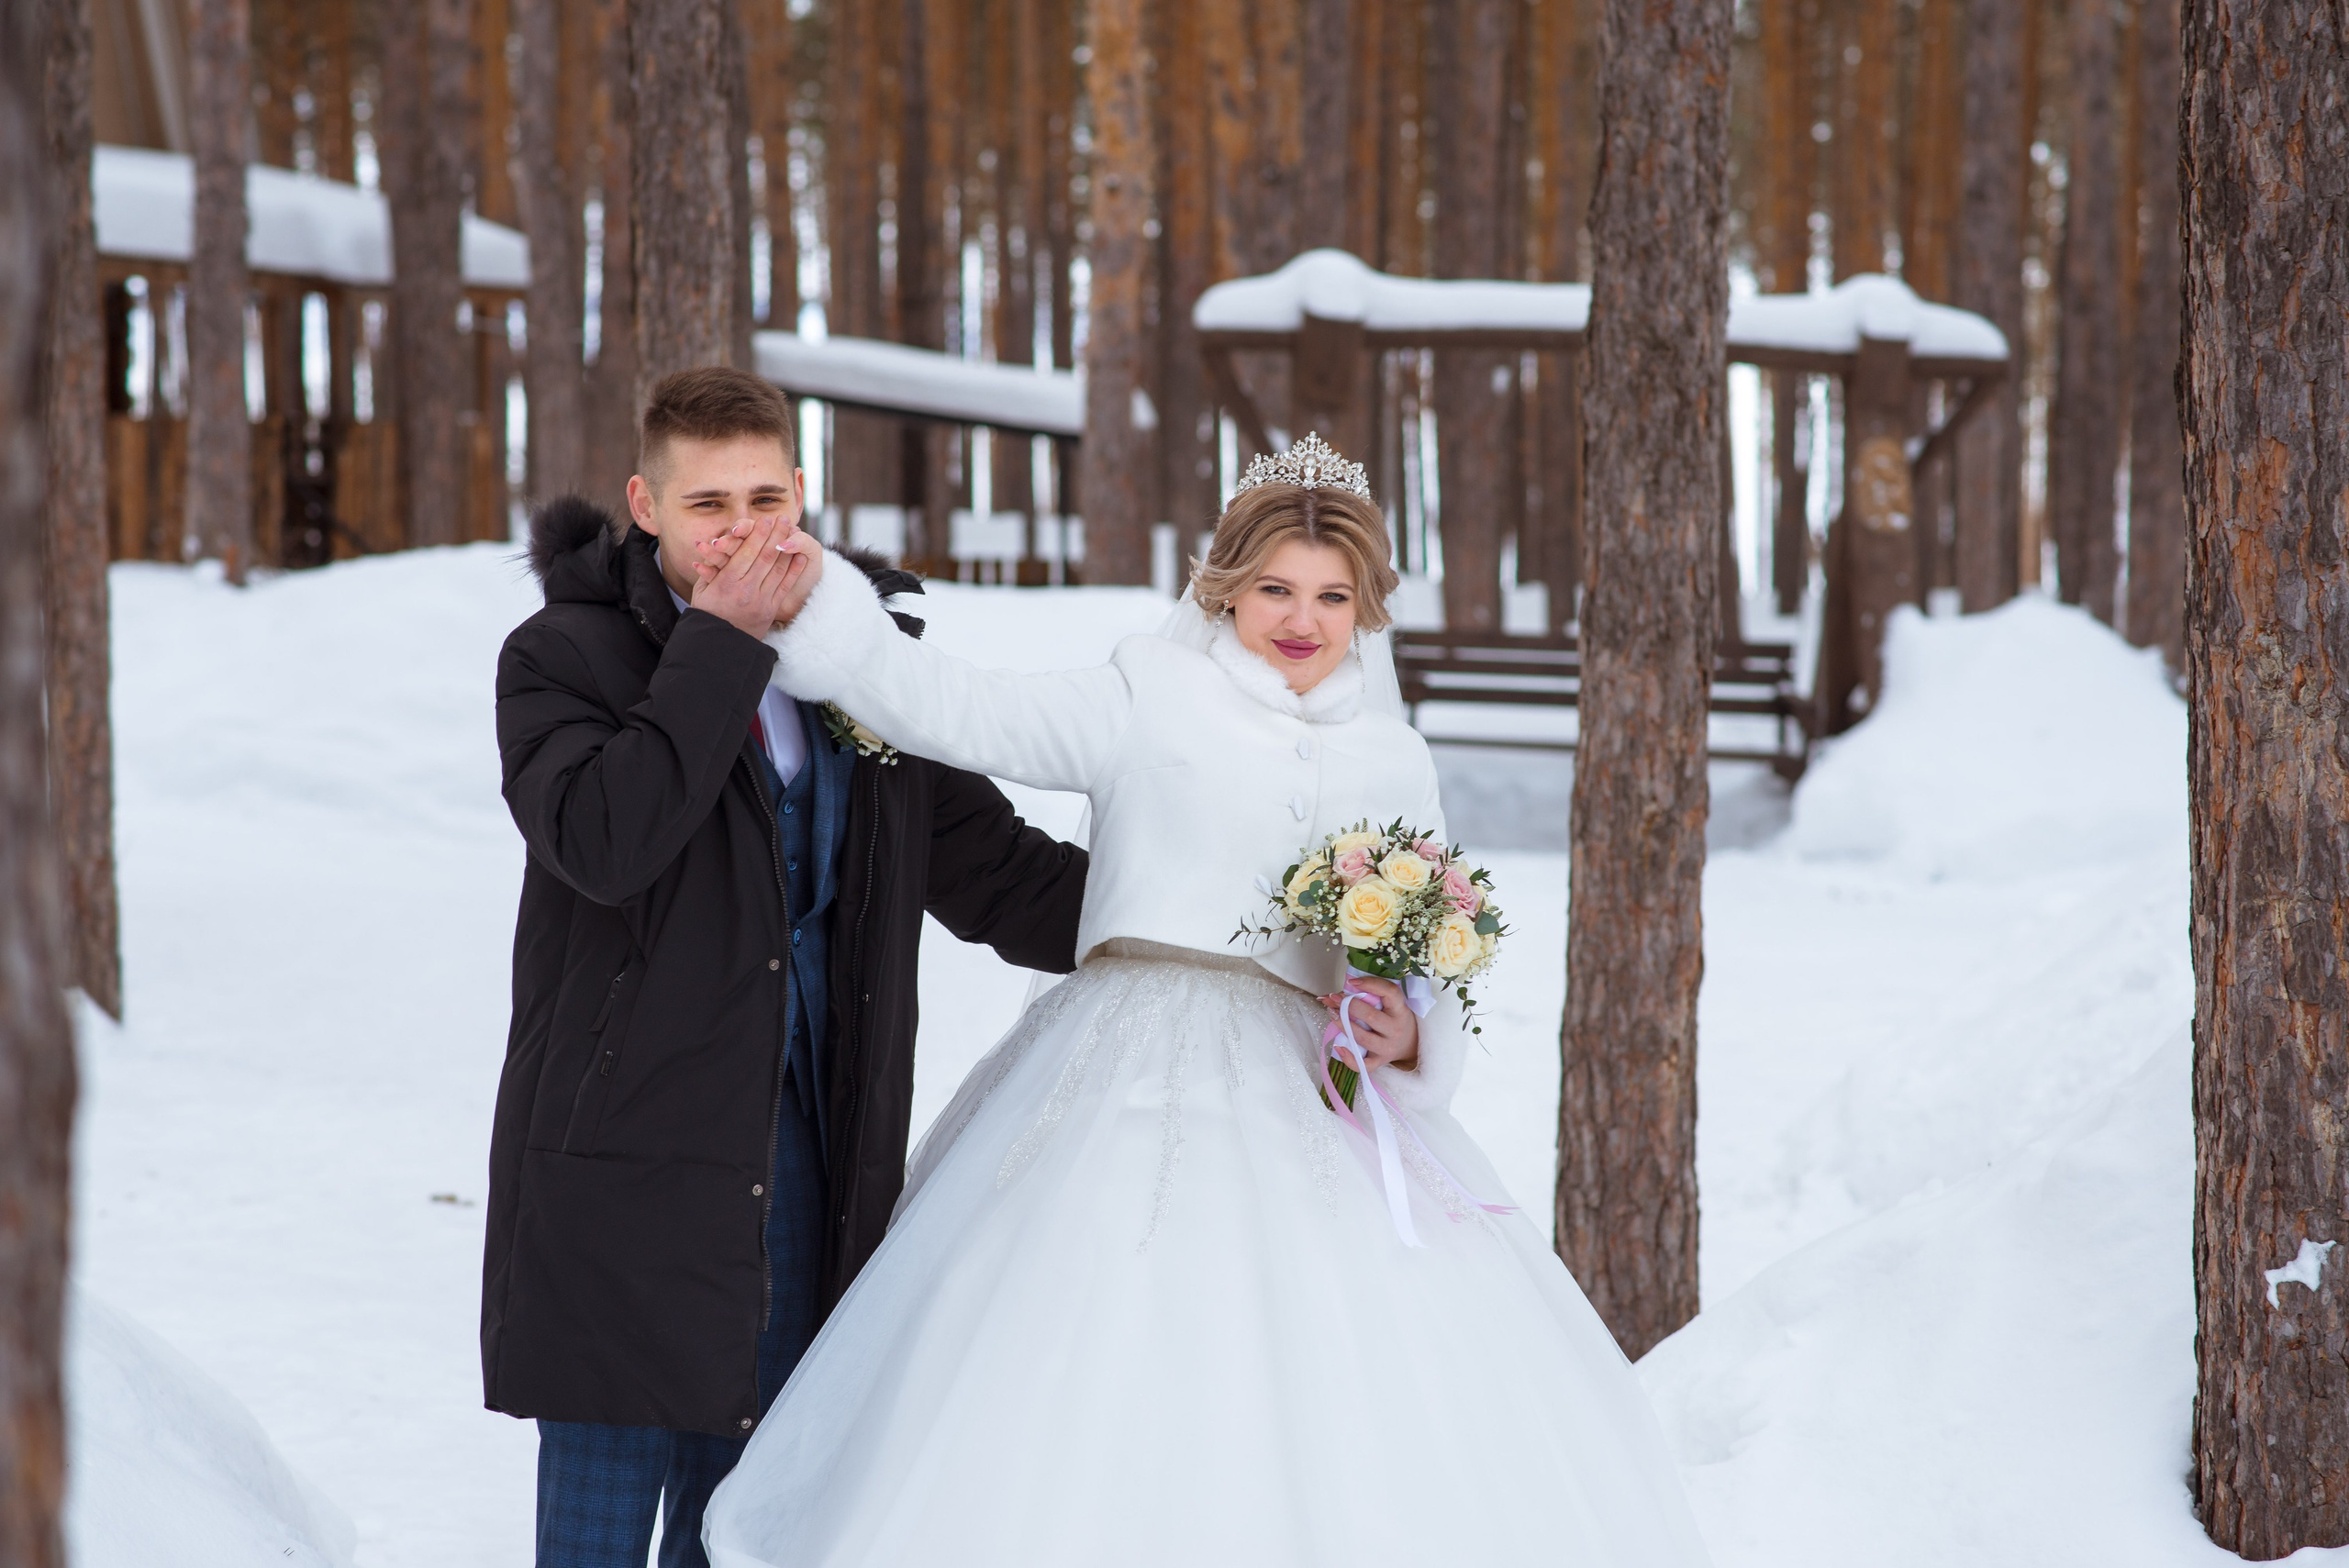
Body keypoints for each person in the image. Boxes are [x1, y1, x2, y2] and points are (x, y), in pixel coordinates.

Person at [697, 434, 1714, 1566]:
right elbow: (957, 708)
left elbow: (1427, 962)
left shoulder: (1395, 758)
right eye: (1274, 588)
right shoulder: (1148, 692)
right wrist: (818, 604)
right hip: (1119, 1073)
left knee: (1325, 1385)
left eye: (1333, 596)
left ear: (1367, 608)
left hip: (1306, 1102)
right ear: (1221, 587)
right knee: (1091, 1350)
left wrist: (1409, 1031)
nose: (1301, 618)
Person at [483, 366, 1090, 1568]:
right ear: (645, 504)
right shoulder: (562, 659)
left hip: (807, 1165)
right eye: (710, 506)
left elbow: (1002, 878)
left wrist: (1208, 912)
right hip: (624, 1174)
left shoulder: (862, 668)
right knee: (595, 1541)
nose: (743, 534)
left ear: (802, 492)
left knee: (746, 1532)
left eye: (766, 498)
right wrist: (719, 642)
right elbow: (606, 841)